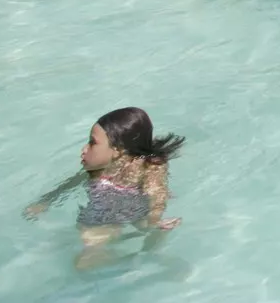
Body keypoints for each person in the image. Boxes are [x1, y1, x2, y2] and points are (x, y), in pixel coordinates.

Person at [23, 107, 182, 270]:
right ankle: (142, 257)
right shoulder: (99, 168)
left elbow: (156, 191)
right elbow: (73, 182)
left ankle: (148, 257)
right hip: (105, 210)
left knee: (85, 262)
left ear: (117, 150)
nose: (84, 149)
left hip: (133, 207)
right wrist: (46, 201)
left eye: (92, 143)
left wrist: (154, 217)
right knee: (85, 255)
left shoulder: (148, 166)